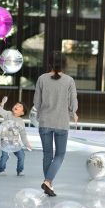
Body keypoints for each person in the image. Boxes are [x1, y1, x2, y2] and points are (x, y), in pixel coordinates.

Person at [33, 51, 78, 197]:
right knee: (60, 155)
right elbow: (73, 103)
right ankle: (48, 182)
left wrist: (41, 112)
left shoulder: (41, 79)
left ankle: (48, 183)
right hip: (61, 122)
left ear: (50, 63)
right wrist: (73, 112)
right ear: (64, 64)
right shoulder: (69, 80)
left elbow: (36, 102)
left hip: (45, 122)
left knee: (47, 155)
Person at [0, 96, 32, 176]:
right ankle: (1, 170)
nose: (16, 106)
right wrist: (2, 103)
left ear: (22, 113)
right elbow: (0, 111)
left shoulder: (21, 122)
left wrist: (27, 144)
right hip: (5, 141)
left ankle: (20, 170)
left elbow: (23, 135)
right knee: (5, 155)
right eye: (16, 105)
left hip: (15, 143)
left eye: (20, 106)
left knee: (21, 155)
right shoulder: (8, 114)